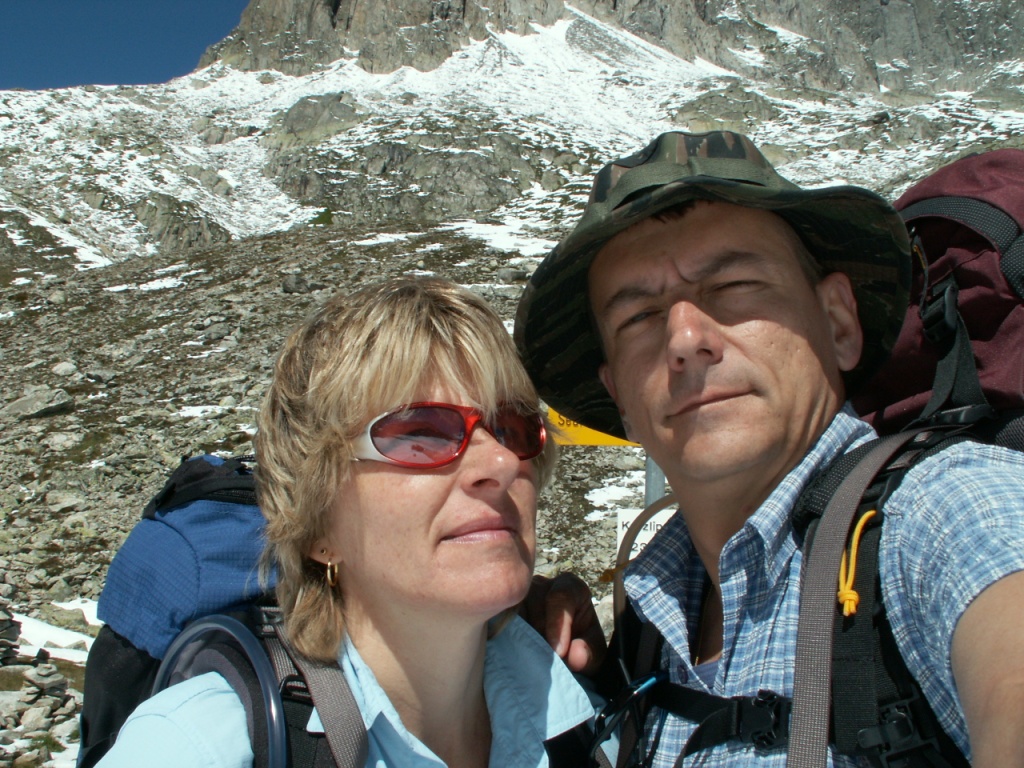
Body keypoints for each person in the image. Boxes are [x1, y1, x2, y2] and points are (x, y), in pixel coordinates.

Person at [514, 130, 1024, 767]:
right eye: (638, 317)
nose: (685, 338)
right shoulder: (649, 624)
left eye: (734, 284)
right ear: (619, 395)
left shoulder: (942, 510)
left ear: (838, 324)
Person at [98, 276, 613, 768]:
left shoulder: (580, 717)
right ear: (318, 523)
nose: (500, 462)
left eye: (511, 428)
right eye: (422, 434)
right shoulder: (200, 745)